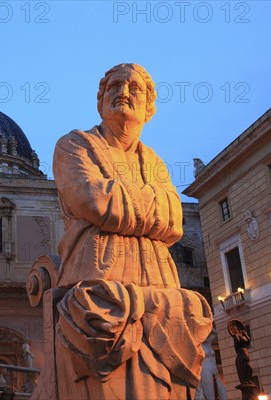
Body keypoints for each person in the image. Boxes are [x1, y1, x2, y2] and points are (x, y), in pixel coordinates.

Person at [51, 64, 212, 399]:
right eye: (114, 86)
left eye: (133, 88)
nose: (123, 92)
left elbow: (175, 221)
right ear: (101, 100)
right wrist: (149, 207)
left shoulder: (154, 162)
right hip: (97, 289)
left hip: (161, 292)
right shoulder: (73, 145)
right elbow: (90, 199)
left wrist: (116, 200)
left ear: (148, 107)